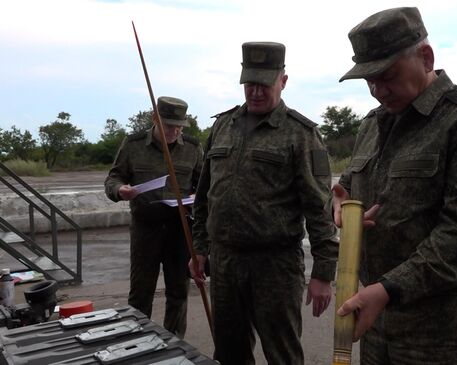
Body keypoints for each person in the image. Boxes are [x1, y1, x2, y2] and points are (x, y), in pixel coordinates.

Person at [333, 7, 457, 365]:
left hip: (441, 329)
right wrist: (338, 202)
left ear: (426, 58)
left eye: (387, 76)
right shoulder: (373, 125)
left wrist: (388, 289)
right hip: (377, 317)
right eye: (368, 80)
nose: (377, 90)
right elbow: (349, 187)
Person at [189, 42, 338, 364]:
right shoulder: (221, 126)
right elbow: (203, 197)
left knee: (281, 352)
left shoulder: (301, 134)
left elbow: (319, 207)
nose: (255, 92)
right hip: (225, 262)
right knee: (228, 351)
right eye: (249, 84)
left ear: (282, 81)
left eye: (264, 84)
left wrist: (324, 273)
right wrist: (199, 247)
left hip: (275, 265)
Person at [104, 96, 204, 339]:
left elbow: (203, 186)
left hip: (179, 229)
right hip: (145, 229)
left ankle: (174, 344)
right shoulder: (133, 144)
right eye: (169, 125)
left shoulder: (192, 148)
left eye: (179, 126)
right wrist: (120, 190)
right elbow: (113, 178)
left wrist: (195, 195)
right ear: (154, 118)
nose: (175, 131)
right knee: (140, 294)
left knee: (179, 292)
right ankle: (135, 343)